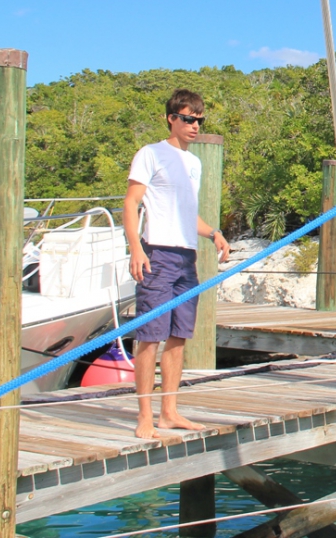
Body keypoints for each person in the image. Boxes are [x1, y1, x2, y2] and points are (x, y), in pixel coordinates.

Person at [124, 88, 230, 439]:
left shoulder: (194, 163)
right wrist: (136, 248)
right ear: (171, 119)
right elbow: (131, 203)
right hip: (158, 253)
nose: (194, 125)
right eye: (187, 119)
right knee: (149, 337)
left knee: (178, 336)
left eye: (199, 120)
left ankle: (168, 411)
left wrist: (213, 232)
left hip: (187, 257)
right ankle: (144, 416)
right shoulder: (151, 154)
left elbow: (188, 214)